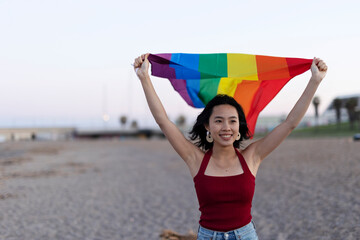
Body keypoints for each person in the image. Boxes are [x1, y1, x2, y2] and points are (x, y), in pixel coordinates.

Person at [133, 53, 327, 240]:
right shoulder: (196, 159)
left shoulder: (252, 156)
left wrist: (315, 81)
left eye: (232, 121)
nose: (226, 127)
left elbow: (289, 124)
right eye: (219, 121)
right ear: (208, 126)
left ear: (239, 127)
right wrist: (145, 79)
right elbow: (164, 122)